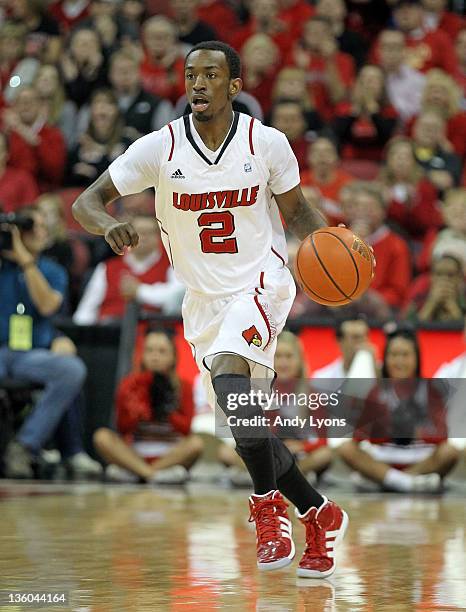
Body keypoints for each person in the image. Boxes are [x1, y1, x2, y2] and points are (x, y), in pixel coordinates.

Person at [72, 40, 348, 577]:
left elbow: (297, 212)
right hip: (202, 301)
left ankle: (267, 512)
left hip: (261, 284)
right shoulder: (159, 148)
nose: (198, 83)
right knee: (244, 423)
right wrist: (108, 225)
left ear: (235, 86)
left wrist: (337, 251)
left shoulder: (266, 144)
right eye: (190, 74)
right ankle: (317, 511)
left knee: (228, 379)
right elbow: (85, 202)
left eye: (211, 74)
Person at [0, 206, 95, 478]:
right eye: (32, 226)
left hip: (30, 355)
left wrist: (25, 261)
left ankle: (25, 444)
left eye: (43, 225)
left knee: (71, 369)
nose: (41, 231)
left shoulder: (51, 270)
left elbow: (47, 306)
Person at [338, 326, 460, 492]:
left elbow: (442, 435)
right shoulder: (376, 390)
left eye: (405, 355)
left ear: (416, 358)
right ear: (386, 359)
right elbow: (359, 437)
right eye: (394, 355)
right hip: (386, 455)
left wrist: (418, 431)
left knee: (450, 452)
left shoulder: (430, 388)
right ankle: (409, 483)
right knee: (346, 449)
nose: (399, 361)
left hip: (420, 455)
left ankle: (393, 481)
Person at [93, 328, 203, 484]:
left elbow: (186, 429)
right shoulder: (129, 384)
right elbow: (122, 428)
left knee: (196, 443)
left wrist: (167, 410)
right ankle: (151, 474)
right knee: (101, 437)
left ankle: (139, 474)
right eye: (149, 351)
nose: (155, 357)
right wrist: (139, 409)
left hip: (170, 455)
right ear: (141, 355)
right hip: (135, 454)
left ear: (173, 357)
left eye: (162, 351)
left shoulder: (183, 386)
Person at [73, 214, 182, 325]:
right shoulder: (107, 267)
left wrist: (139, 291)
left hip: (154, 331)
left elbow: (175, 298)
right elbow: (87, 310)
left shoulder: (173, 265)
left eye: (150, 232)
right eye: (138, 232)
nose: (144, 237)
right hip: (109, 331)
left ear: (160, 236)